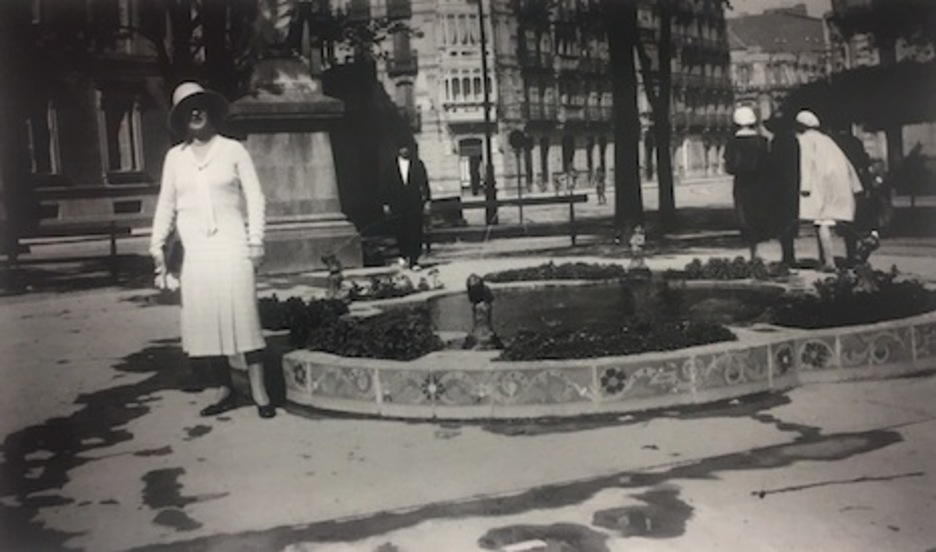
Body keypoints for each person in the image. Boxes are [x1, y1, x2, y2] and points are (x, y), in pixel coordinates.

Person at [150, 81, 275, 419]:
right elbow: (166, 205)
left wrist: (256, 240)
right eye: (186, 108)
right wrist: (156, 247)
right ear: (179, 118)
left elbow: (256, 197)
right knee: (206, 322)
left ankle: (260, 390)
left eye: (199, 104)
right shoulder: (175, 159)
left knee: (244, 315)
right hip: (198, 253)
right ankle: (224, 390)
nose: (195, 112)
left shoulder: (233, 150)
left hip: (233, 247)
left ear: (210, 110)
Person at [794, 110, 864, 272]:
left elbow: (805, 163)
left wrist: (805, 187)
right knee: (837, 219)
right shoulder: (828, 140)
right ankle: (844, 257)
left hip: (820, 183)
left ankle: (828, 260)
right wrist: (856, 185)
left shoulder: (804, 140)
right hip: (838, 182)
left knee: (820, 221)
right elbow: (846, 163)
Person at [724, 106, 771, 260]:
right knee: (759, 214)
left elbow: (729, 167)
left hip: (741, 184)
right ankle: (758, 250)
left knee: (745, 216)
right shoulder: (762, 141)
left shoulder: (731, 143)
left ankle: (752, 251)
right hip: (760, 183)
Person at [383, 138, 431, 270]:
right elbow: (386, 186)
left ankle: (414, 260)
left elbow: (424, 183)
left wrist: (427, 201)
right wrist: (386, 203)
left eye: (406, 148)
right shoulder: (391, 166)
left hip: (414, 203)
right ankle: (403, 255)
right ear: (398, 150)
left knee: (415, 230)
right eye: (402, 148)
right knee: (400, 229)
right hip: (397, 204)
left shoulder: (418, 164)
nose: (404, 150)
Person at [766, 111, 802, 268]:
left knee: (783, 223)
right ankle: (789, 255)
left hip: (779, 186)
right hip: (793, 184)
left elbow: (773, 165)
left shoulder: (777, 142)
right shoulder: (794, 140)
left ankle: (788, 256)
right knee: (790, 221)